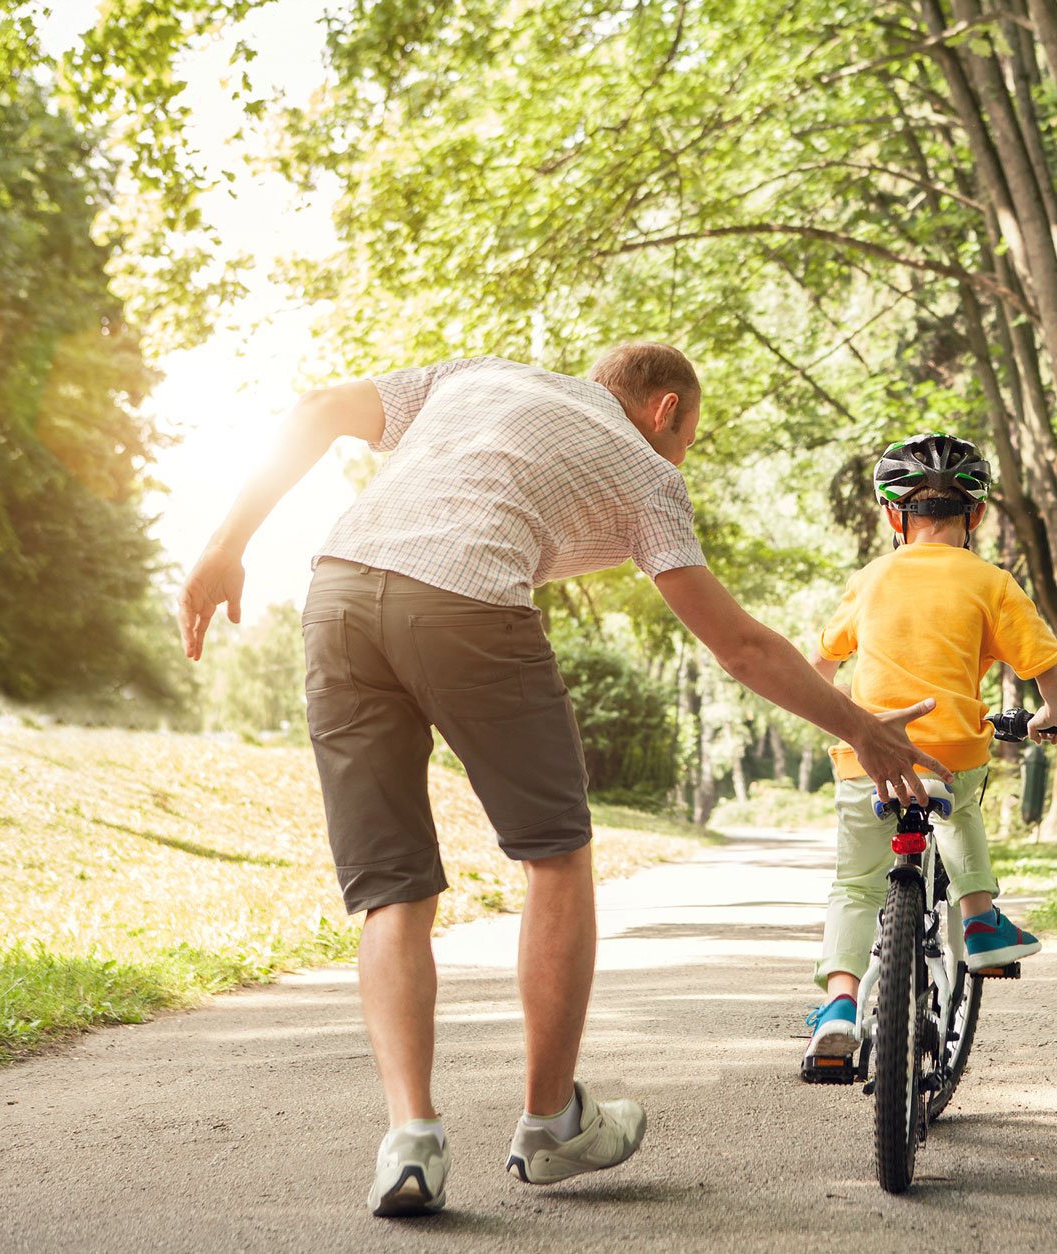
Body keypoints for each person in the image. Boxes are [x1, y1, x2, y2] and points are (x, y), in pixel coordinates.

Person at [175, 346, 949, 1217]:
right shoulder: (646, 469)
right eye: (689, 437)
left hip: (340, 596)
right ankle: (549, 1125)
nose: (682, 456)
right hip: (468, 603)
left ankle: (412, 1140)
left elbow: (316, 406)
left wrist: (223, 545)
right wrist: (861, 730)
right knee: (555, 855)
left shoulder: (474, 375)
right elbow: (738, 645)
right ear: (664, 411)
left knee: (392, 888)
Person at [801, 432, 1057, 1071]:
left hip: (868, 753)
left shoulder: (870, 579)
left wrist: (837, 722)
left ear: (894, 516)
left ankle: (840, 1005)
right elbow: (1047, 668)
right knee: (961, 812)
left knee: (855, 883)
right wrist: (1051, 717)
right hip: (951, 745)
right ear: (975, 515)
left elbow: (820, 664)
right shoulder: (991, 581)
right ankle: (979, 920)